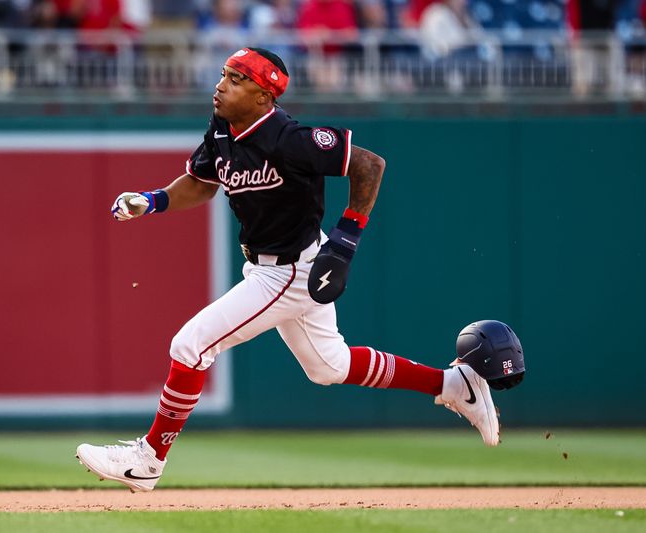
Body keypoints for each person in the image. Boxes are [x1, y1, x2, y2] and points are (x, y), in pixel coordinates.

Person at [76, 46, 500, 493]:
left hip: (291, 271)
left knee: (191, 345)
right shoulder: (222, 129)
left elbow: (369, 165)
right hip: (270, 266)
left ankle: (149, 458)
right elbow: (202, 183)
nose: (221, 84)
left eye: (237, 79)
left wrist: (347, 237)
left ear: (263, 96)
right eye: (223, 74)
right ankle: (455, 383)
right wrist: (154, 200)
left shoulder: (288, 138)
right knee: (328, 366)